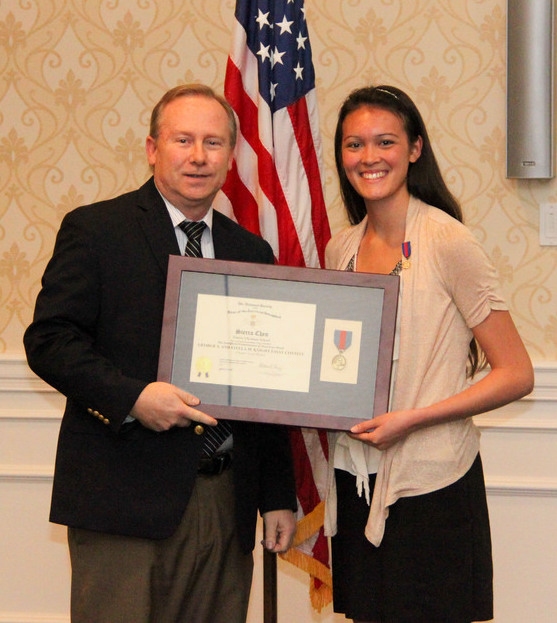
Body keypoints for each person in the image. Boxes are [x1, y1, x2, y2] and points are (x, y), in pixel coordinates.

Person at [24, 83, 297, 623]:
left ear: (230, 157)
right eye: (183, 140)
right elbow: (50, 339)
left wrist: (277, 494)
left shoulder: (252, 251)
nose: (198, 156)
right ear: (153, 149)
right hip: (123, 498)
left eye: (214, 143)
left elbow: (266, 380)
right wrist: (133, 398)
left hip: (225, 502)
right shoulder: (97, 230)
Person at [323, 85, 534, 623]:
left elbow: (516, 373)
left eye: (385, 142)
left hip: (432, 485)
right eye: (354, 145)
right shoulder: (340, 249)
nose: (369, 158)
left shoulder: (448, 241)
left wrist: (413, 420)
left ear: (415, 149)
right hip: (356, 479)